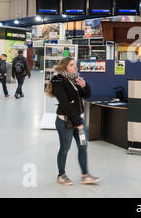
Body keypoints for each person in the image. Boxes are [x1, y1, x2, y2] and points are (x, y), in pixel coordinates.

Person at [46, 57, 100, 186]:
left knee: (83, 146)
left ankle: (85, 176)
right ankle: (61, 175)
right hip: (65, 121)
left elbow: (86, 95)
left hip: (77, 120)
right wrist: (78, 123)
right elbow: (65, 104)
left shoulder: (74, 79)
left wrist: (85, 86)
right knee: (65, 148)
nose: (75, 67)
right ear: (65, 67)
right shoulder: (58, 80)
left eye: (74, 65)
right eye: (71, 65)